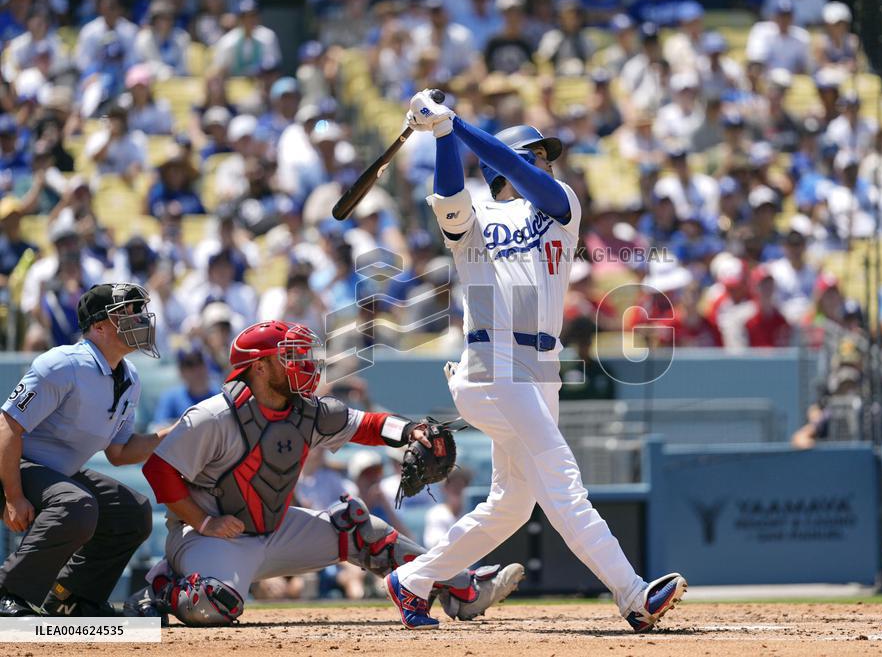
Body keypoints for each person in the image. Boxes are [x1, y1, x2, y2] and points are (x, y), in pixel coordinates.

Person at [392, 90, 687, 631]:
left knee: (512, 503)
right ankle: (633, 594)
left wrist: (456, 124)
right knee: (562, 478)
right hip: (491, 362)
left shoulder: (560, 208)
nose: (548, 163)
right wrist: (442, 136)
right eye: (539, 155)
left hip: (539, 371)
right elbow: (452, 197)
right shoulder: (476, 213)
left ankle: (412, 580)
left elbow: (513, 169)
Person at [125, 320, 523, 625]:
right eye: (290, 356)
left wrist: (410, 430)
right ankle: (165, 583)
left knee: (361, 530)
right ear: (259, 368)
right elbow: (159, 468)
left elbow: (365, 423)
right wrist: (204, 521)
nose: (304, 363)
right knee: (216, 605)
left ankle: (462, 590)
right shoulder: (214, 415)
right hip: (212, 539)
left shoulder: (307, 410)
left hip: (275, 530)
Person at [0, 284, 167, 616]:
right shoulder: (64, 363)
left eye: (138, 311)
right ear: (100, 326)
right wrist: (13, 496)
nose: (138, 319)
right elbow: (7, 427)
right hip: (13, 466)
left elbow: (119, 453)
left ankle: (71, 597)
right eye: (128, 313)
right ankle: (7, 593)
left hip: (53, 473)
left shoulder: (129, 377)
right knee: (77, 504)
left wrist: (170, 435)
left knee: (132, 512)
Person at [151, 347, 215, 430]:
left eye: (199, 362)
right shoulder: (171, 397)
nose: (196, 369)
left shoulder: (220, 395)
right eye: (189, 365)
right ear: (181, 371)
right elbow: (159, 428)